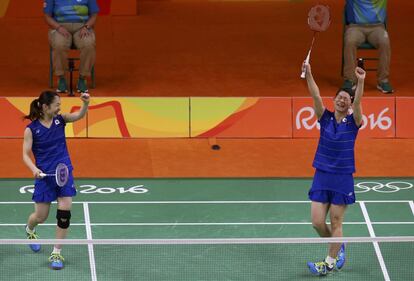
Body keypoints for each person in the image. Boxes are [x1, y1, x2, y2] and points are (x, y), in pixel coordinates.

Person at [303, 62, 366, 276]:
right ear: (334, 99)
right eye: (339, 97)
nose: (342, 100)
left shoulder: (354, 122)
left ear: (350, 104)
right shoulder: (325, 117)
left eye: (346, 99)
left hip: (342, 178)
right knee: (317, 223)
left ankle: (328, 263)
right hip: (322, 175)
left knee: (336, 221)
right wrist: (309, 73)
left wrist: (361, 81)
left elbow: (359, 103)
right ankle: (338, 245)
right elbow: (315, 96)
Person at [23, 90, 90, 269]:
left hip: (63, 173)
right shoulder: (31, 129)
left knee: (64, 213)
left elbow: (78, 116)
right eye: (57, 105)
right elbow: (25, 154)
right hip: (44, 177)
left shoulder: (61, 120)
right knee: (40, 216)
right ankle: (29, 229)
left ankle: (56, 253)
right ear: (45, 107)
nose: (60, 108)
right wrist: (34, 169)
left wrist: (85, 104)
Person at [44, 0, 99, 93]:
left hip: (82, 27)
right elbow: (47, 16)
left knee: (89, 44)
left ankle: (82, 78)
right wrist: (58, 27)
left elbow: (94, 15)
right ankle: (61, 78)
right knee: (58, 45)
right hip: (60, 27)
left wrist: (86, 26)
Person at [343, 0, 393, 94]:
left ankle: (383, 80)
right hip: (355, 27)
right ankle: (350, 80)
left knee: (384, 41)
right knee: (350, 41)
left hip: (377, 27)